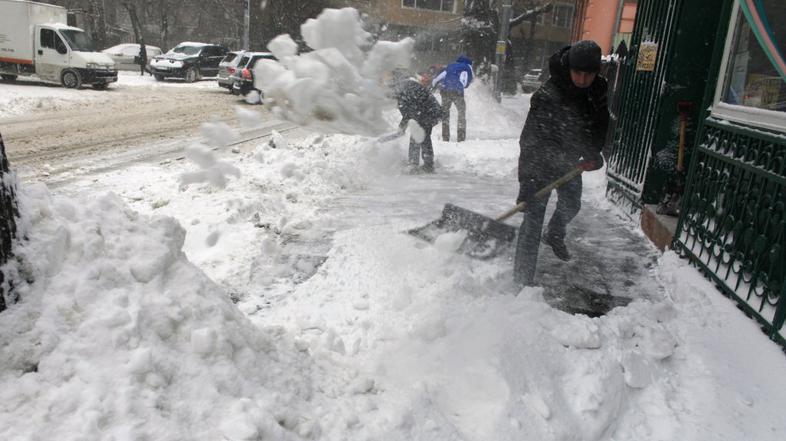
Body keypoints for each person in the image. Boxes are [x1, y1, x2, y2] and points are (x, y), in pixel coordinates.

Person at [513, 40, 609, 287]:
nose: (583, 79)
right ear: (569, 68)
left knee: (571, 204)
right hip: (539, 162)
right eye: (578, 72)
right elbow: (530, 140)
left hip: (568, 161)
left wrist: (592, 152)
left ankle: (554, 233)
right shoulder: (548, 95)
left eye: (589, 74)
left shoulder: (598, 90)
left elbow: (599, 126)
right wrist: (528, 183)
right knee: (532, 223)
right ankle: (522, 282)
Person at [389, 69, 443, 173]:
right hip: (430, 111)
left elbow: (408, 113)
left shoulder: (403, 89)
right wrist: (402, 128)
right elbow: (409, 112)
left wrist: (401, 129)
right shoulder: (407, 85)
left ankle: (420, 164)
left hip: (429, 112)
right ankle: (422, 163)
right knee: (420, 135)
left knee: (420, 136)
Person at [432, 55, 473, 142]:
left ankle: (445, 137)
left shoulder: (451, 65)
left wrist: (434, 83)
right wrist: (463, 86)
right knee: (461, 113)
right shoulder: (467, 67)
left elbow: (440, 76)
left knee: (445, 114)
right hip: (457, 92)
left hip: (445, 91)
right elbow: (466, 81)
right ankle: (461, 137)